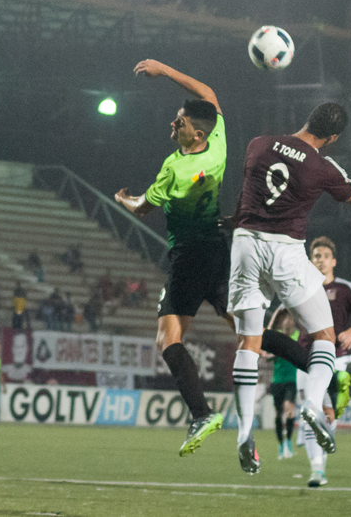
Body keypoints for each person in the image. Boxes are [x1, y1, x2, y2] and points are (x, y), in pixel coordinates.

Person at [228, 101, 351, 474]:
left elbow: (249, 190)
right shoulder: (322, 166)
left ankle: (245, 432)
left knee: (249, 340)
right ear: (334, 137)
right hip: (287, 250)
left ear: (307, 117)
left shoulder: (258, 143)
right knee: (325, 334)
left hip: (244, 241)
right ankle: (311, 402)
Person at [115, 58, 229, 457]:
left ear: (195, 133)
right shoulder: (217, 143)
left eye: (178, 123)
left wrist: (124, 199)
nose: (172, 125)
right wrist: (166, 71)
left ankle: (201, 413)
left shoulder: (175, 168)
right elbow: (209, 96)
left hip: (188, 256)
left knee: (167, 339)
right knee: (247, 328)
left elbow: (144, 208)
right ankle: (319, 362)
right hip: (219, 248)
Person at [296, 236, 351, 487]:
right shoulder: (301, 285)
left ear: (334, 261)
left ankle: (320, 462)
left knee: (329, 417)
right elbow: (283, 312)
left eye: (325, 256)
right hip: (304, 358)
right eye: (316, 256)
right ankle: (316, 468)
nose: (321, 260)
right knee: (311, 412)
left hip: (337, 360)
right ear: (310, 260)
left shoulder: (345, 289)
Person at [264, 308, 299, 460]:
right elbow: (266, 355)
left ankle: (289, 442)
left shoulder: (298, 336)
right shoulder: (276, 335)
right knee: (278, 414)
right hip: (277, 380)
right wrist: (275, 355)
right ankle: (280, 444)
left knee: (289, 410)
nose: (287, 322)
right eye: (285, 320)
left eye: (290, 320)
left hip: (292, 380)